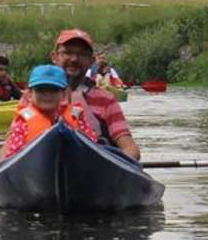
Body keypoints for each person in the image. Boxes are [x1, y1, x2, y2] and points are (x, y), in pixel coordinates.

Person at [40, 28, 141, 160]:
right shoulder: (35, 97)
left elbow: (129, 148)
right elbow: (9, 147)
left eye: (82, 54)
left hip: (94, 168)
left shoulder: (106, 99)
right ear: (54, 57)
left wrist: (126, 163)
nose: (74, 59)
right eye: (68, 52)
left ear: (92, 61)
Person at [0, 65, 98, 161]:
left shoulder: (74, 115)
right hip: (34, 166)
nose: (47, 94)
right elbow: (13, 156)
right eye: (41, 90)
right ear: (29, 94)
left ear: (63, 95)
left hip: (72, 163)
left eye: (53, 90)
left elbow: (93, 145)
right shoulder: (23, 122)